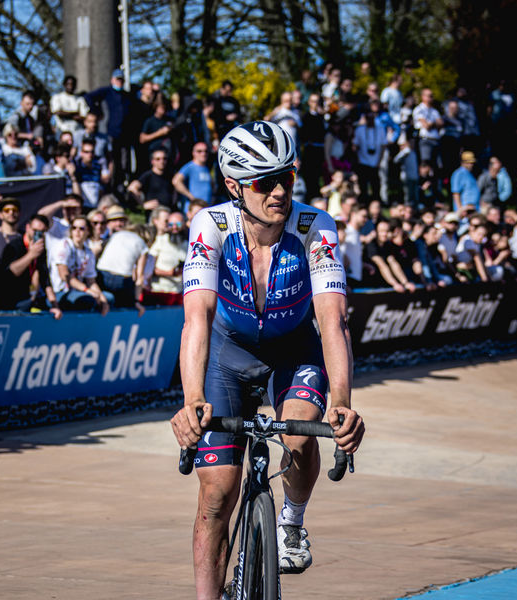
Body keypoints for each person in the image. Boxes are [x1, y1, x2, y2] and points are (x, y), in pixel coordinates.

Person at [169, 121, 364, 599]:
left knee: (300, 433)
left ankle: (291, 522)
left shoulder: (314, 226)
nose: (279, 191)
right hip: (226, 354)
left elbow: (333, 319)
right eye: (264, 181)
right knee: (216, 494)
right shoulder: (210, 226)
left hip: (292, 349)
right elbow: (197, 318)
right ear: (234, 185)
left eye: (287, 177)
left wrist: (341, 400)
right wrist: (191, 399)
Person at [48, 215, 111, 314]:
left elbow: (91, 281)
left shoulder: (88, 252)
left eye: (81, 229)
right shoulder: (64, 245)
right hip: (60, 292)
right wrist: (87, 290)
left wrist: (102, 299)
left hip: (78, 291)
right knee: (87, 300)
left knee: (109, 298)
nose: (77, 231)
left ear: (88, 231)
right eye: (74, 228)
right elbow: (64, 275)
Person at [173, 141, 214, 212]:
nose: (203, 154)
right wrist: (191, 197)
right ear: (193, 153)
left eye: (206, 151)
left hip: (205, 208)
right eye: (199, 151)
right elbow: (176, 181)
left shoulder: (206, 168)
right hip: (193, 209)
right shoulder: (189, 167)